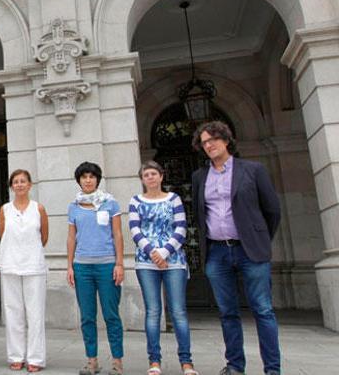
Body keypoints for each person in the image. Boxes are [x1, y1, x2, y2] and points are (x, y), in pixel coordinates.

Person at [191, 121, 282, 375]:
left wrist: (258, 238)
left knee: (262, 310)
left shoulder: (253, 170)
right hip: (217, 252)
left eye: (213, 139)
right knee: (227, 312)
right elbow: (199, 214)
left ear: (226, 140)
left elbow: (272, 210)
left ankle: (272, 369)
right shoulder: (200, 176)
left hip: (249, 250)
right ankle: (234, 366)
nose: (209, 145)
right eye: (204, 142)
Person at [129, 161, 198, 375]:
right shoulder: (135, 201)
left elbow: (181, 227)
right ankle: (154, 361)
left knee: (178, 311)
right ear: (142, 179)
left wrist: (165, 252)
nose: (150, 177)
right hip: (146, 261)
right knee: (153, 311)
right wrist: (152, 252)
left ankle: (186, 363)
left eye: (153, 173)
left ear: (161, 176)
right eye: (146, 174)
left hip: (173, 260)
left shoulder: (174, 199)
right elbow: (135, 229)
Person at [67, 162, 125, 375]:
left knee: (111, 315)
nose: (88, 180)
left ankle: (117, 361)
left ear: (97, 179)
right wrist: (69, 266)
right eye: (84, 177)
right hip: (82, 267)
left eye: (91, 176)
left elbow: (118, 234)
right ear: (79, 180)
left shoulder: (110, 203)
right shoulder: (73, 206)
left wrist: (119, 263)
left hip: (107, 266)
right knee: (87, 316)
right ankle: (92, 361)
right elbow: (72, 237)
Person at [0, 169, 50, 372]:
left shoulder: (39, 209)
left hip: (34, 266)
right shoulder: (5, 210)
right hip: (10, 265)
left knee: (35, 314)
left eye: (23, 181)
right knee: (13, 313)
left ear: (30, 185)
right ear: (11, 187)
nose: (19, 185)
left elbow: (43, 237)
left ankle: (36, 358)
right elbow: (3, 235)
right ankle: (16, 356)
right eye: (15, 182)